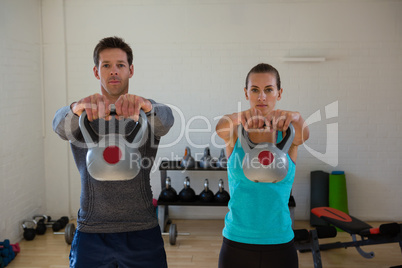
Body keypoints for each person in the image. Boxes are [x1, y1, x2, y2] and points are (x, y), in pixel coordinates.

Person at [53, 36, 174, 268]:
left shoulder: (146, 112)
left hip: (142, 229)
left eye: (120, 65)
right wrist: (75, 108)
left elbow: (167, 121)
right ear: (97, 72)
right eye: (106, 65)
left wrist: (147, 106)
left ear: (131, 70)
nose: (114, 71)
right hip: (91, 229)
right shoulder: (82, 114)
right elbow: (58, 126)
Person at [215, 63, 310, 268]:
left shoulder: (288, 134)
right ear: (246, 92)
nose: (262, 97)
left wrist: (295, 116)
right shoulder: (235, 131)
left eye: (268, 89)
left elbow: (304, 136)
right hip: (237, 241)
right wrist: (240, 117)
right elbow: (220, 128)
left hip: (280, 242)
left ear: (279, 93)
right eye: (255, 90)